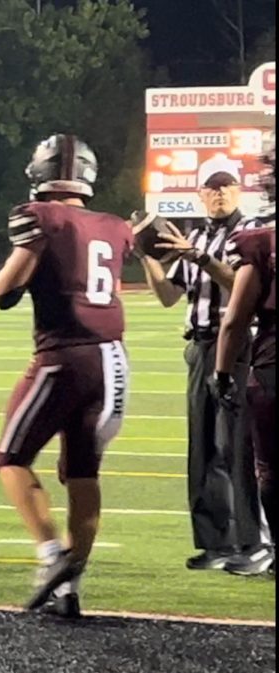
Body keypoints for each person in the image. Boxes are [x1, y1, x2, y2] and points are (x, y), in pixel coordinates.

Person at [0, 134, 132, 619]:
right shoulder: (114, 225)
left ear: (39, 173)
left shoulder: (41, 218)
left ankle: (52, 557)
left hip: (62, 355)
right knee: (82, 472)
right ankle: (71, 587)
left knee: (10, 457)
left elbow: (4, 291)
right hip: (113, 360)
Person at [139, 159, 265, 571]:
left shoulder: (250, 235)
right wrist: (146, 254)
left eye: (225, 186)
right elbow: (167, 295)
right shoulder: (194, 235)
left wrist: (200, 258)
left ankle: (255, 544)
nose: (218, 193)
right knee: (204, 449)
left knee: (239, 447)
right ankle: (217, 543)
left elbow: (240, 284)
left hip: (239, 346)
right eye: (211, 187)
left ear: (238, 190)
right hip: (199, 346)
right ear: (200, 194)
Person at [212, 142, 277, 577]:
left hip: (273, 367)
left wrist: (221, 373)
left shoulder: (261, 241)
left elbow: (235, 319)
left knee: (271, 469)